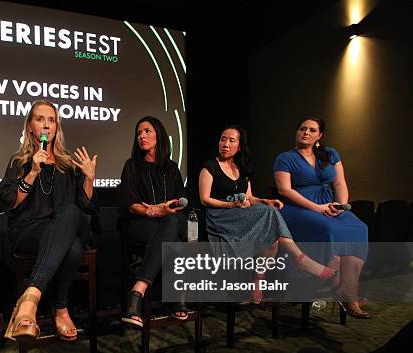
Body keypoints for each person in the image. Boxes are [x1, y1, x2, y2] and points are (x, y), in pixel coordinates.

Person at [199, 125, 338, 303]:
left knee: (272, 234)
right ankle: (300, 259)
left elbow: (249, 197)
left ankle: (258, 278)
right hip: (220, 218)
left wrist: (265, 201)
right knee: (269, 215)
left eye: (231, 140)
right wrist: (230, 204)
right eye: (223, 139)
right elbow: (205, 199)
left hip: (242, 215)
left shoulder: (241, 169)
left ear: (239, 146)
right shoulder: (209, 167)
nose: (225, 144)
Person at [0, 100, 97, 343]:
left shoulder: (66, 164)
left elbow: (85, 205)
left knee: (71, 214)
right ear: (30, 127)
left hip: (63, 226)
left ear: (57, 127)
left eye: (51, 120)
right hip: (29, 230)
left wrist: (89, 179)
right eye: (40, 119)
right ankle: (61, 308)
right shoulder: (19, 162)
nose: (46, 125)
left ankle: (29, 299)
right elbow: (9, 202)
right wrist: (32, 172)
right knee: (72, 247)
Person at [274, 116, 369, 318]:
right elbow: (285, 190)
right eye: (302, 129)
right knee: (330, 229)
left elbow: (340, 184)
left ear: (319, 135)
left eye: (311, 130)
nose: (306, 133)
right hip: (298, 208)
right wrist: (317, 208)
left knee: (359, 228)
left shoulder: (330, 153)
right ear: (296, 132)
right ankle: (339, 288)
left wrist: (341, 206)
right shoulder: (285, 157)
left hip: (330, 205)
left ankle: (348, 290)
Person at [120, 116, 187, 328]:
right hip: (141, 224)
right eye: (139, 133)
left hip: (169, 224)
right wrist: (157, 211)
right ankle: (176, 294)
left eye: (147, 131)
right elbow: (131, 204)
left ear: (158, 135)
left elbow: (181, 202)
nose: (141, 136)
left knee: (175, 220)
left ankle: (137, 290)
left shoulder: (172, 168)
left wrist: (172, 208)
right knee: (172, 233)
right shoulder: (132, 166)